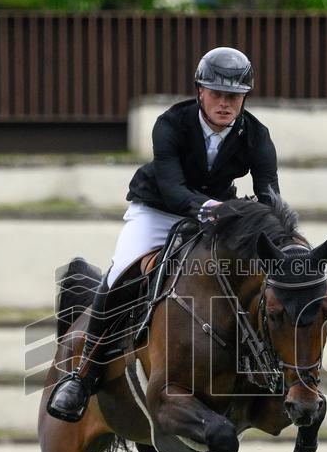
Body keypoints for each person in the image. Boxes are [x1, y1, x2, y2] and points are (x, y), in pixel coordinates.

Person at [47, 46, 281, 422]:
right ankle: (83, 373)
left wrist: (277, 233)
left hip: (217, 216)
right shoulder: (171, 124)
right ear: (200, 92)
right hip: (157, 211)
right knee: (119, 273)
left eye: (234, 96)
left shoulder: (255, 134)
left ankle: (262, 367)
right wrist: (219, 211)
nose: (225, 104)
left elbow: (269, 191)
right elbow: (173, 190)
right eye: (217, 94)